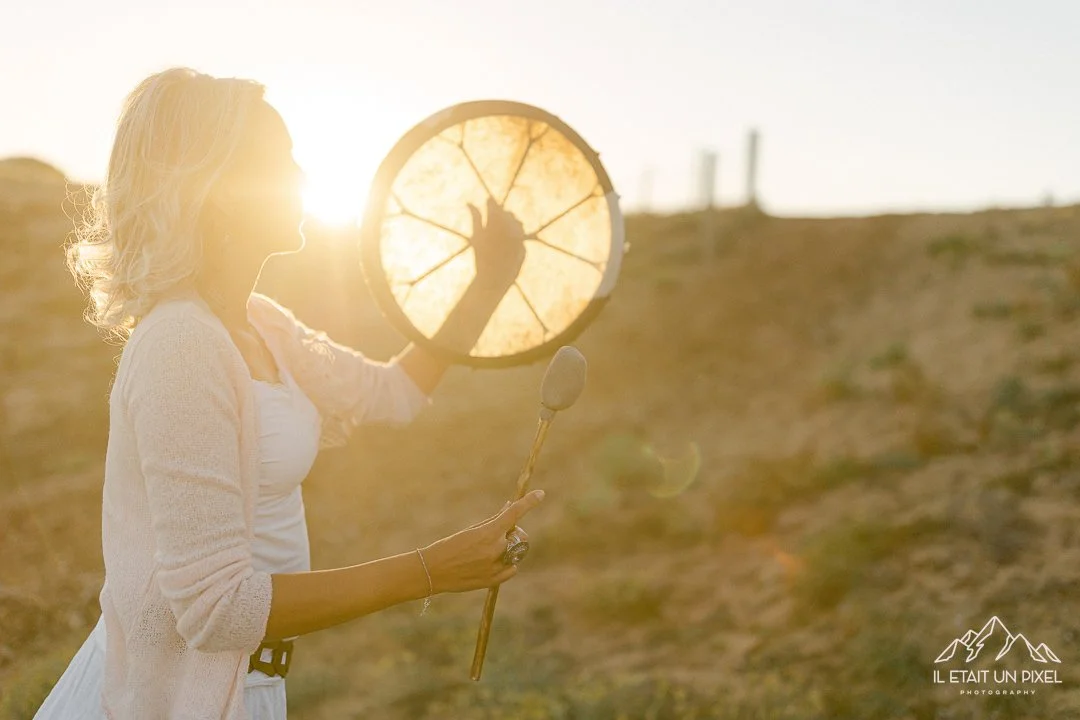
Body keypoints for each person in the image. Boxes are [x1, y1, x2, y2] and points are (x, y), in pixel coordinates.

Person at [33, 66, 546, 719]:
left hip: (246, 687)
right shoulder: (180, 345)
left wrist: (489, 283)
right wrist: (428, 572)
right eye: (280, 160)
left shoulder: (262, 324)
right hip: (164, 698)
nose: (303, 177)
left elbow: (393, 393)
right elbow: (217, 610)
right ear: (215, 189)